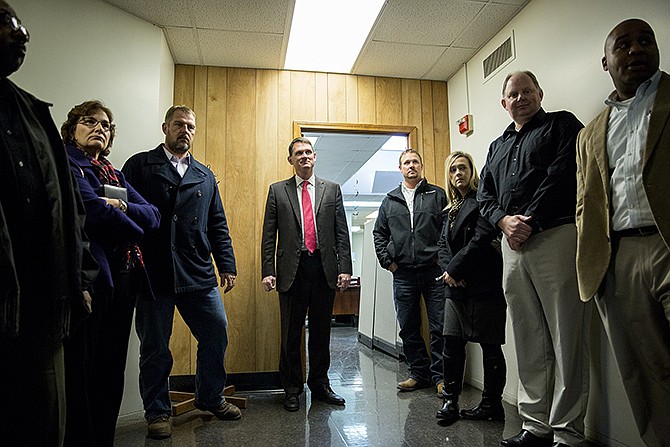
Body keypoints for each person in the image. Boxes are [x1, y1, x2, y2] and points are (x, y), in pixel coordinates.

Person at [0, 2, 96, 445]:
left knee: (45, 425)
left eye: (22, 26)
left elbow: (72, 211)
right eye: (6, 22)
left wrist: (78, 278)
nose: (21, 34)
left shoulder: (32, 114)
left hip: (44, 306)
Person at [478, 71, 590, 447]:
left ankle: (569, 432)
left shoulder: (561, 124)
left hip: (553, 237)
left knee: (565, 334)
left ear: (540, 93)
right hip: (512, 246)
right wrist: (504, 221)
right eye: (514, 93)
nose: (521, 97)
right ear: (504, 102)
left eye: (528, 91)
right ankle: (535, 426)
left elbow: (562, 175)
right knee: (527, 336)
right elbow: (485, 196)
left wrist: (528, 220)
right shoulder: (496, 146)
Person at [576, 19, 670, 447]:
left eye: (645, 41)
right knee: (645, 371)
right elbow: (586, 202)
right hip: (620, 256)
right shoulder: (591, 132)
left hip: (667, 244)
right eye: (623, 44)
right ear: (606, 62)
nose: (635, 50)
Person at [122, 105, 240, 440]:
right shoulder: (139, 165)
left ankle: (210, 397)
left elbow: (217, 223)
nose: (184, 130)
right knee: (156, 346)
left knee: (216, 331)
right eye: (178, 124)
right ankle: (157, 412)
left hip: (196, 270)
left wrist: (227, 264)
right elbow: (124, 212)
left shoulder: (204, 174)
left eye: (190, 126)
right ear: (165, 127)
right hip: (153, 272)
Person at [61, 100, 160, 446]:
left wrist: (118, 205)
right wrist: (130, 221)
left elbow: (153, 215)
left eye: (106, 125)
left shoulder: (113, 173)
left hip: (127, 278)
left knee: (111, 369)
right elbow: (91, 212)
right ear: (72, 128)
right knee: (83, 371)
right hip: (92, 279)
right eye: (90, 122)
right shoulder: (68, 164)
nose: (99, 128)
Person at [261, 136, 352, 412]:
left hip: (323, 270)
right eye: (298, 153)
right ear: (291, 160)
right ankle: (292, 389)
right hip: (292, 271)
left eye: (308, 152)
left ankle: (320, 385)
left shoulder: (332, 190)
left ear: (315, 157)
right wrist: (268, 271)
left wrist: (345, 268)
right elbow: (268, 235)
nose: (304, 156)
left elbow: (341, 232)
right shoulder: (278, 191)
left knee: (322, 332)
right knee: (290, 334)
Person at [435, 151, 506, 426]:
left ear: (471, 170)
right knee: (451, 343)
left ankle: (492, 404)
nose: (457, 174)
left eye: (462, 168)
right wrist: (451, 271)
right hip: (456, 286)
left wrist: (456, 269)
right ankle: (450, 400)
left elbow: (481, 239)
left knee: (490, 345)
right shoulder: (451, 207)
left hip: (483, 282)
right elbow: (442, 244)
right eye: (452, 170)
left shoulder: (481, 201)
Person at [373, 149, 446, 395]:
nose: (411, 166)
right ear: (400, 168)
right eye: (406, 162)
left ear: (421, 166)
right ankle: (418, 374)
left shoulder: (437, 195)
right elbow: (379, 234)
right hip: (403, 273)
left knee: (440, 325)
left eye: (415, 161)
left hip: (433, 272)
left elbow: (448, 228)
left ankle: (441, 377)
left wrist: (442, 257)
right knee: (408, 326)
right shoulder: (390, 200)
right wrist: (388, 262)